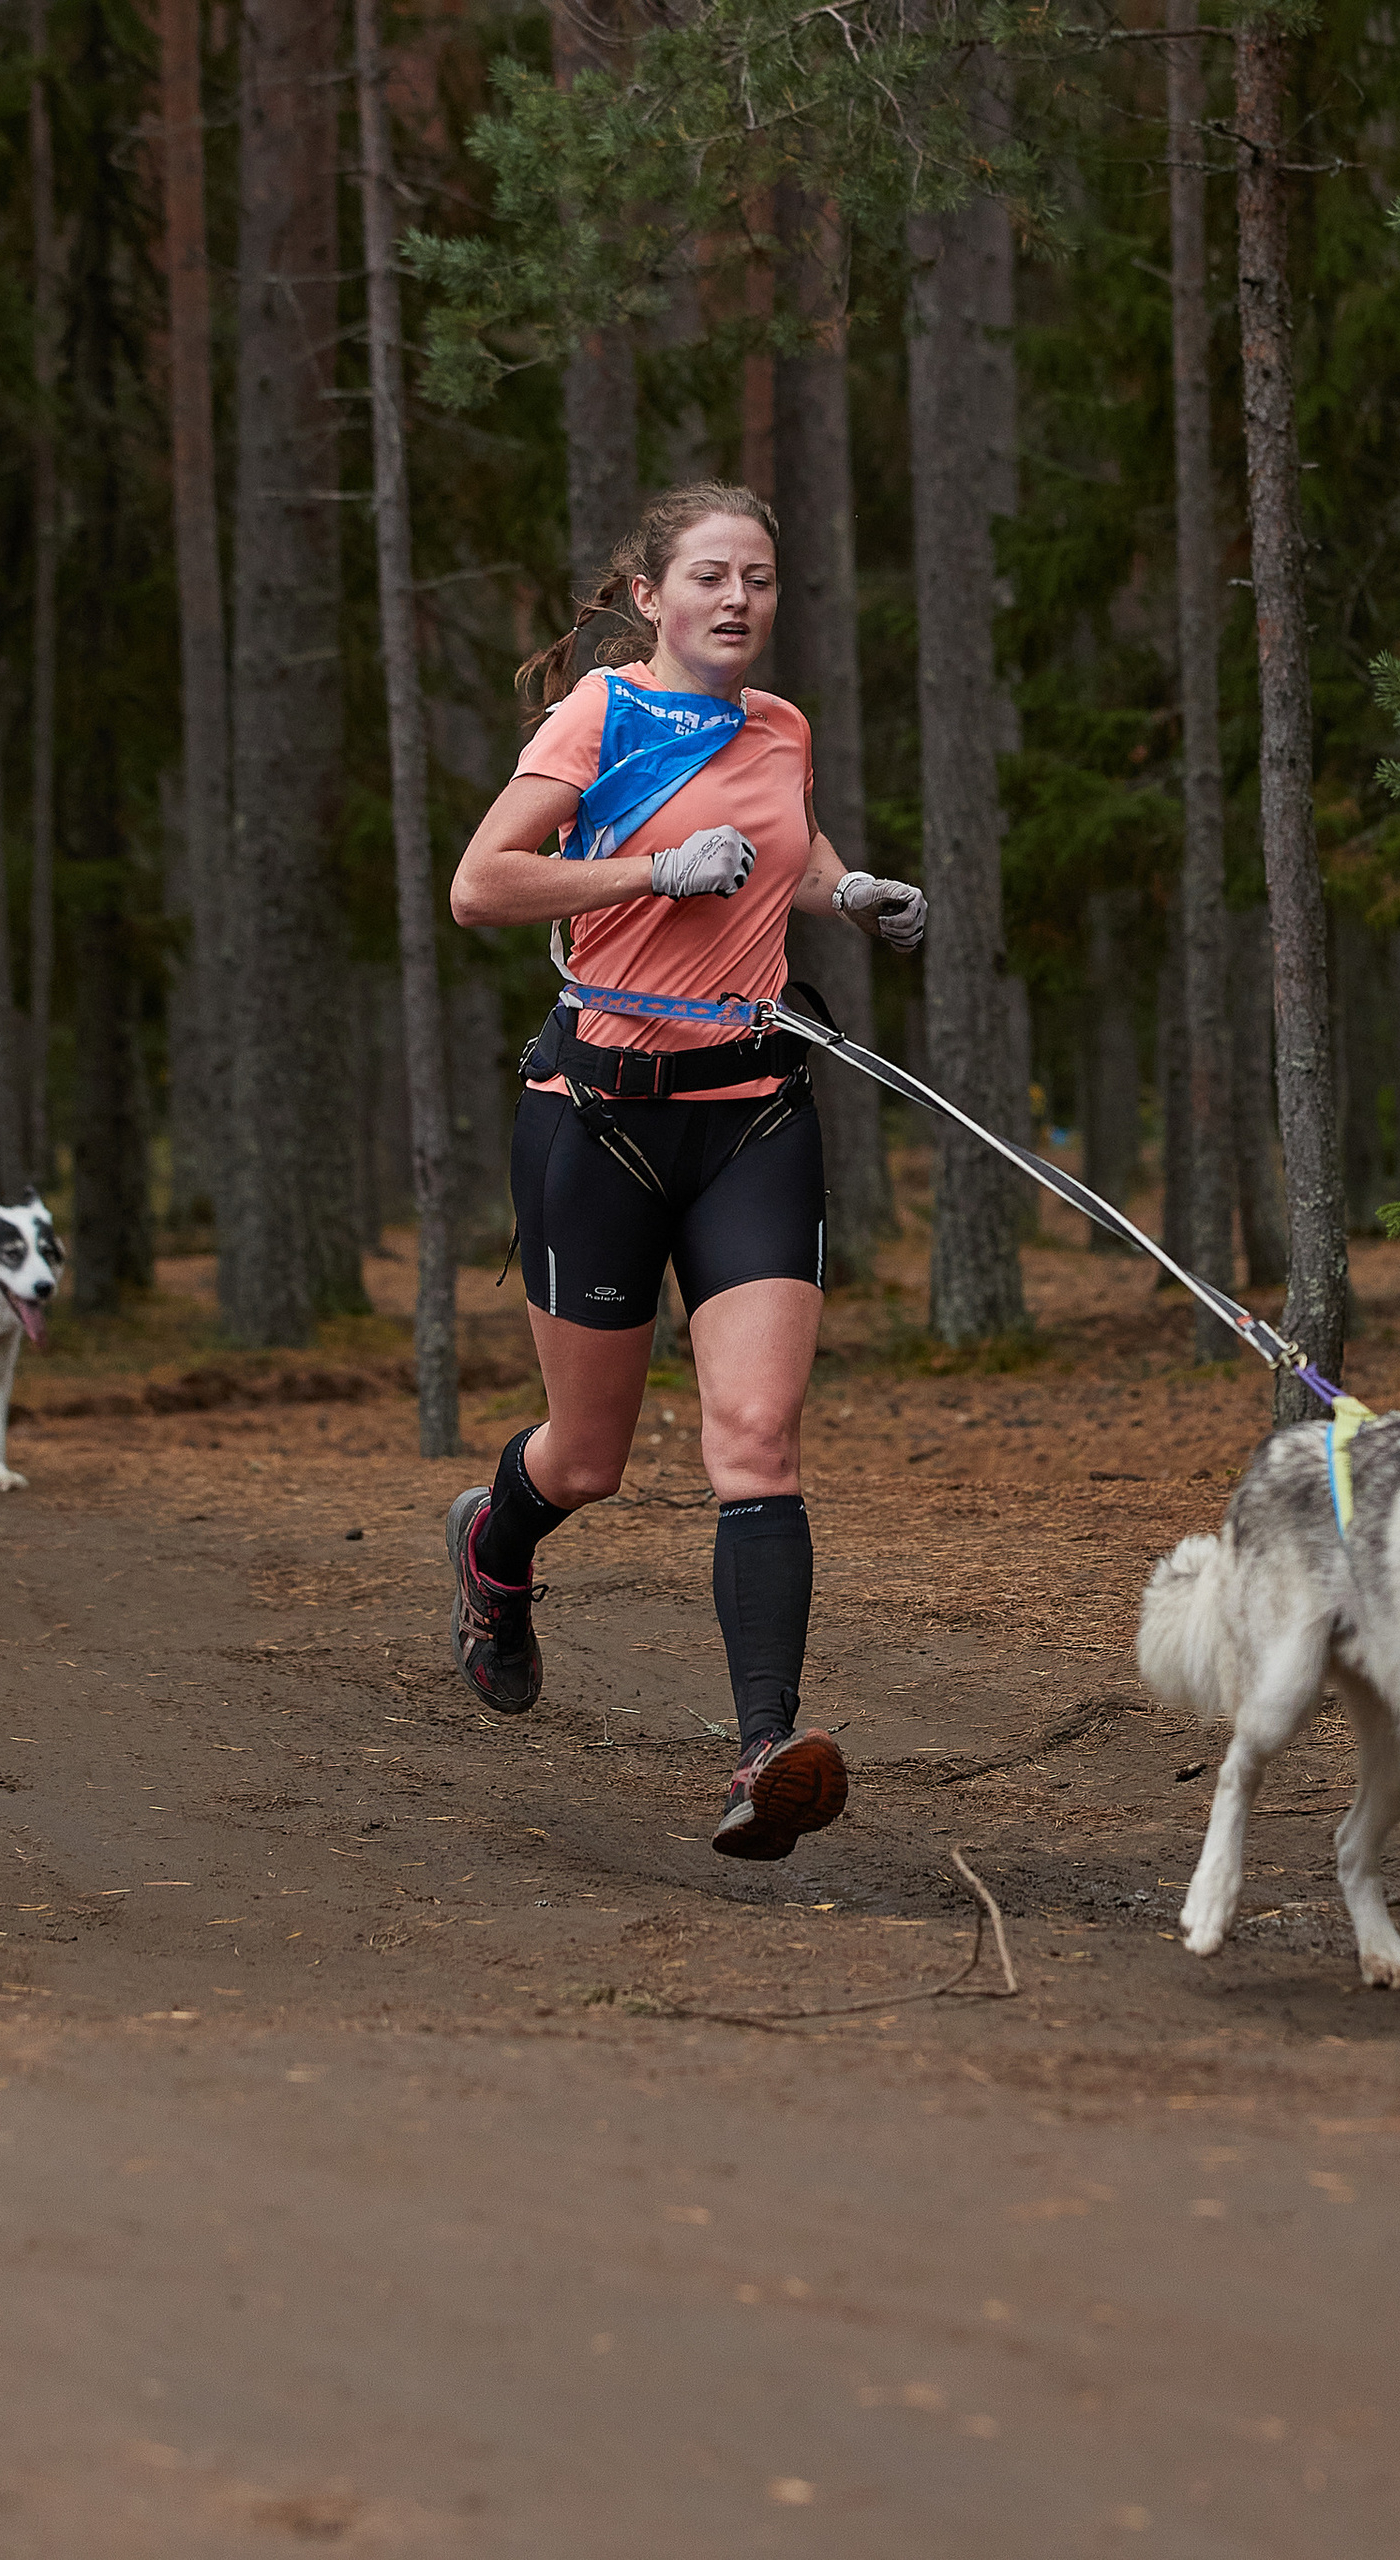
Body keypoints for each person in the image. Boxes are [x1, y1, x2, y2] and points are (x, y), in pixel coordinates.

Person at [445, 481, 924, 1859]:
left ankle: (764, 1754)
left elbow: (785, 845)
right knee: (586, 1459)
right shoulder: (600, 716)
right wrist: (654, 871)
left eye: (760, 579)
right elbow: (485, 884)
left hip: (752, 1117)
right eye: (712, 577)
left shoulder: (781, 727)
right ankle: (496, 1550)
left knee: (756, 1439)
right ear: (652, 597)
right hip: (597, 1116)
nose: (739, 601)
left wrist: (847, 891)